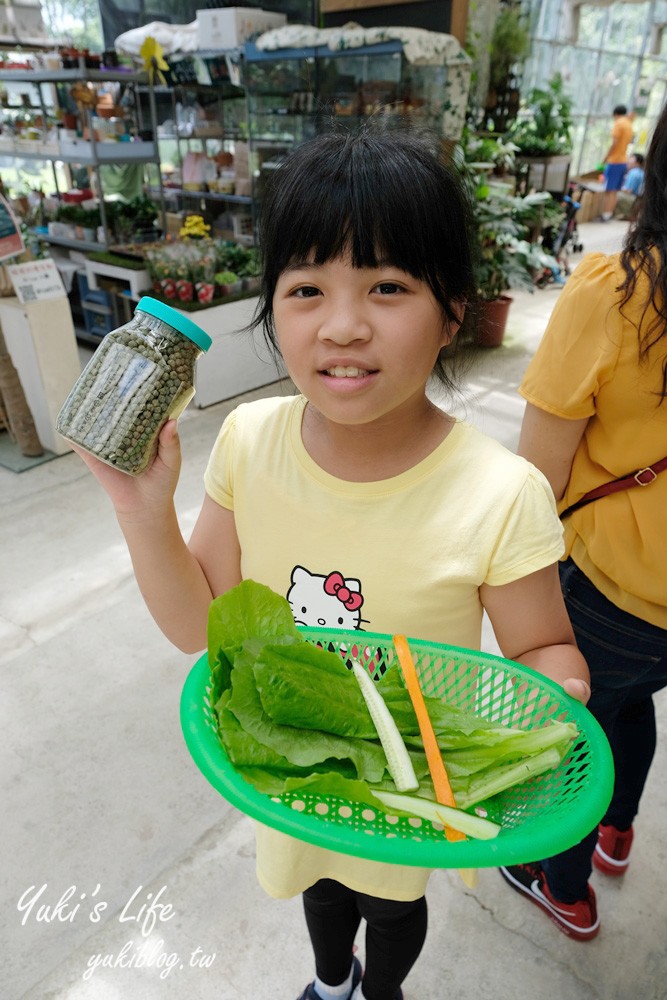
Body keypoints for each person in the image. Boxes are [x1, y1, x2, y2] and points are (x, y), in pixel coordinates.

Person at [70, 127, 590, 1000]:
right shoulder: (248, 439)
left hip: (406, 792)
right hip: (296, 772)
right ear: (271, 308)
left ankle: (377, 991)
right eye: (307, 287)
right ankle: (329, 981)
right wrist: (140, 506)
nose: (343, 325)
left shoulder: (499, 493)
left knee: (389, 906)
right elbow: (197, 624)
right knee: (317, 886)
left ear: (453, 311)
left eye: (387, 286)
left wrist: (556, 690)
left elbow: (545, 652)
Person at [500, 102, 667, 943]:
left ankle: (560, 882)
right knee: (631, 706)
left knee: (572, 736)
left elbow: (537, 479)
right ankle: (618, 829)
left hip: (614, 588)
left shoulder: (617, 295)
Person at [600, 104, 634, 220]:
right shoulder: (629, 124)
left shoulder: (618, 124)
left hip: (614, 161)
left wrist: (605, 158)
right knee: (614, 191)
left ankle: (605, 214)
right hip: (623, 160)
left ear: (615, 114)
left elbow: (614, 144)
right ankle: (608, 214)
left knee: (609, 190)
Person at [615, 152, 645, 220]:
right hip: (638, 200)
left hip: (632, 199)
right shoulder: (641, 172)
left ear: (637, 162)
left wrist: (617, 187)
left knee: (613, 194)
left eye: (631, 159)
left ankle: (625, 214)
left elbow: (628, 191)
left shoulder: (634, 173)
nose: (628, 161)